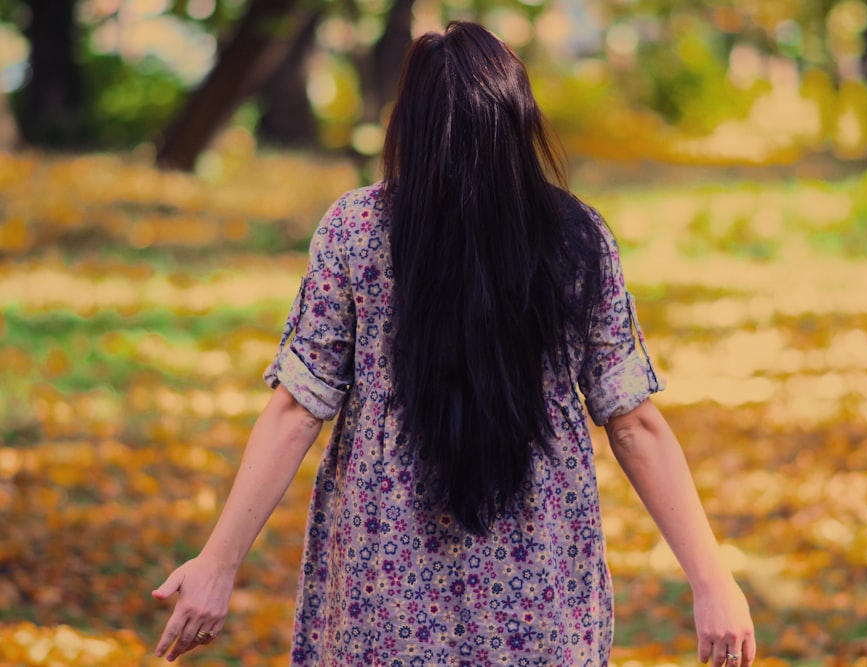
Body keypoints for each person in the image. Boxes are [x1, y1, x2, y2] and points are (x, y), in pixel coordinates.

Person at [152, 21, 755, 667]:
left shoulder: (357, 230)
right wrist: (712, 580)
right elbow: (635, 421)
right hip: (538, 596)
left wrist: (218, 564)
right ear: (517, 118)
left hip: (381, 593)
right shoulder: (576, 238)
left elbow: (298, 406)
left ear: (406, 123)